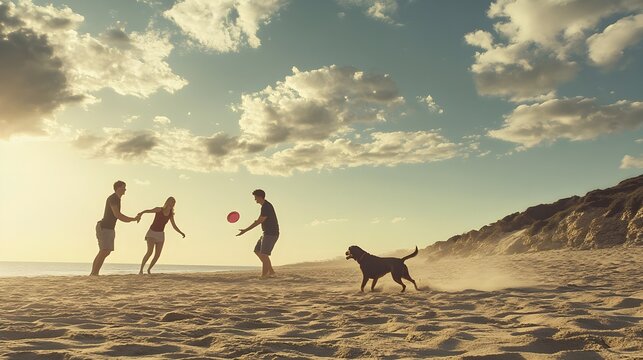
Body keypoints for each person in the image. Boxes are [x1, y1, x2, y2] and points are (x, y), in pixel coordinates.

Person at [91, 180, 140, 276]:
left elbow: (118, 216)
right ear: (118, 188)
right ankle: (94, 273)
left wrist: (132, 219)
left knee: (106, 251)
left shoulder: (117, 199)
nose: (125, 189)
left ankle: (94, 273)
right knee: (104, 251)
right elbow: (118, 215)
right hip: (104, 227)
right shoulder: (113, 198)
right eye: (123, 187)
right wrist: (133, 219)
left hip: (109, 228)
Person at [237, 189, 279, 278]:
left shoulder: (266, 206)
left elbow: (260, 221)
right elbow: (260, 220)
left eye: (255, 197)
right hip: (266, 233)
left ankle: (264, 275)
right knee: (257, 250)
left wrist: (245, 230)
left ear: (260, 197)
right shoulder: (265, 206)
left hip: (271, 233)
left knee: (264, 254)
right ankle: (271, 272)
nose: (255, 199)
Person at [137, 197, 185, 274]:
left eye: (173, 202)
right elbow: (148, 211)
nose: (172, 203)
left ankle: (149, 269)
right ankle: (141, 270)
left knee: (157, 255)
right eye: (171, 201)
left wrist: (181, 232)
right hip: (152, 233)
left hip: (160, 235)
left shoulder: (170, 214)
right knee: (150, 252)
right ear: (167, 202)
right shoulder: (159, 209)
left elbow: (174, 225)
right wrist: (141, 213)